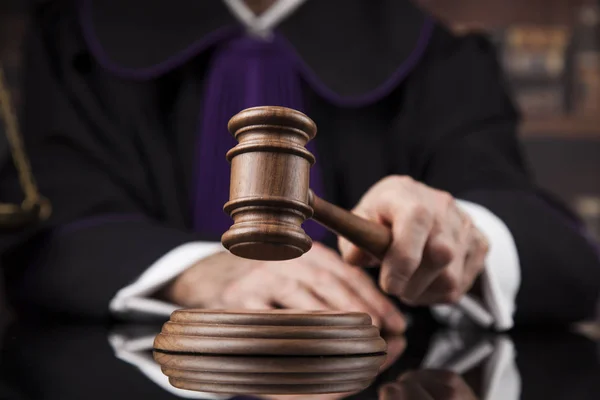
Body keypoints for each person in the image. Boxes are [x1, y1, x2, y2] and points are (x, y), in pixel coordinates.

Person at [0, 0, 598, 332]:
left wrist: (458, 234)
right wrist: (199, 270)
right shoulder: (75, 37)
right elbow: (51, 231)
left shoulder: (435, 56)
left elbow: (562, 256)